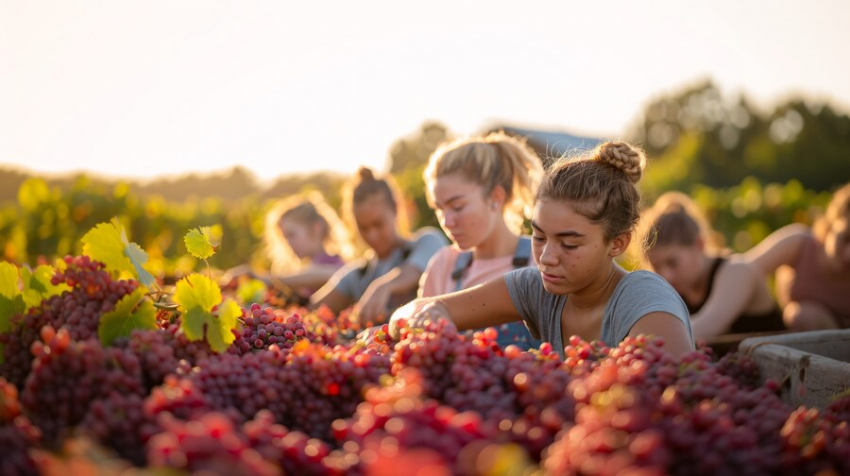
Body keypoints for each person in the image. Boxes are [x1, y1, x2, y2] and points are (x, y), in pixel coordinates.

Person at [377, 141, 695, 360]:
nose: (546, 257)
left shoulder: (643, 299)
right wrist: (430, 316)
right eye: (539, 237)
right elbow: (414, 310)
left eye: (569, 244)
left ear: (617, 243)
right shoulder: (536, 289)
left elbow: (672, 399)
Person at [418, 132, 544, 350]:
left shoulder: (541, 259)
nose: (446, 221)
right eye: (440, 209)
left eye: (457, 207)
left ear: (495, 197)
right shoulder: (442, 266)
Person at [310, 166, 448, 324]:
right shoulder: (358, 274)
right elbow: (313, 310)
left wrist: (383, 286)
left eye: (378, 224)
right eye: (363, 227)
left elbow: (414, 270)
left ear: (395, 209)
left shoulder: (427, 242)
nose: (372, 235)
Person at [639, 192, 785, 339]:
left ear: (699, 245)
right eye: (656, 267)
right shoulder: (680, 291)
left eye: (673, 263)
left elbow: (703, 328)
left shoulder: (738, 271)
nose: (665, 276)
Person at [745, 182, 850, 330]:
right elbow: (742, 270)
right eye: (846, 238)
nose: (848, 255)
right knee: (803, 315)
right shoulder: (800, 244)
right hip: (799, 336)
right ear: (832, 223)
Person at [221, 192, 354, 302]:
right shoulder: (304, 273)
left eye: (292, 234)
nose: (288, 243)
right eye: (285, 237)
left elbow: (333, 275)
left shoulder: (333, 264)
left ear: (316, 228)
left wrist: (263, 279)